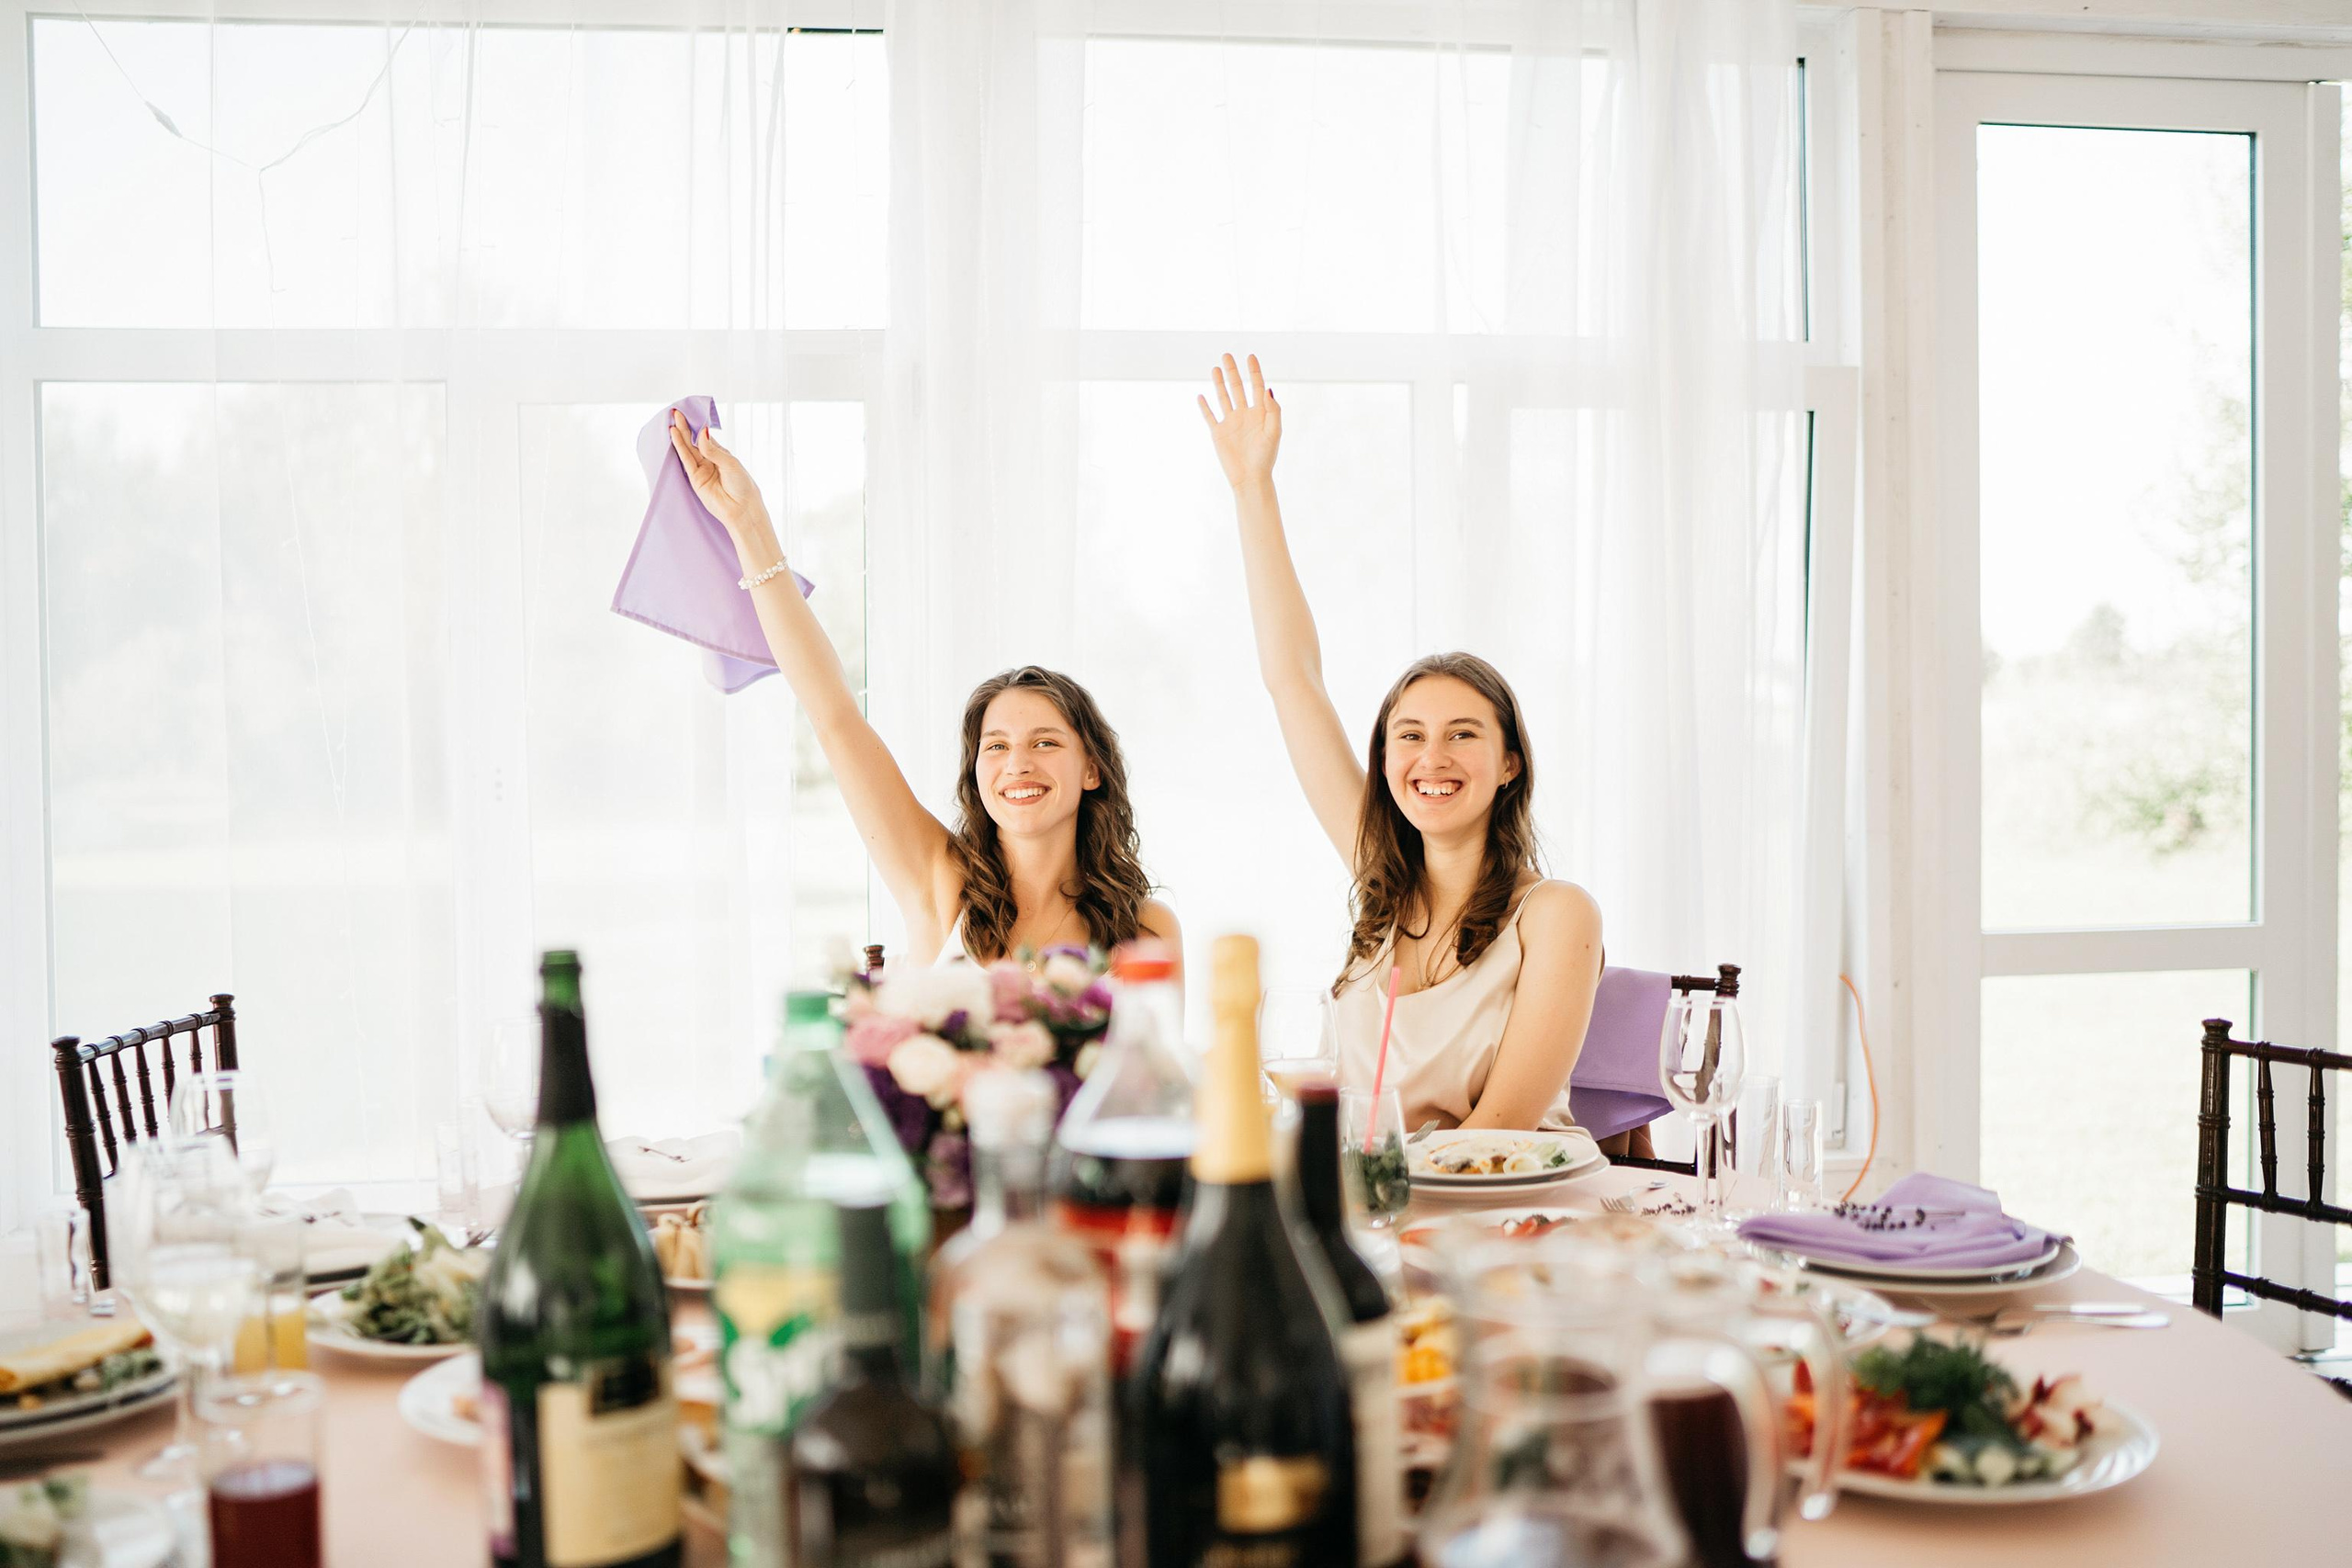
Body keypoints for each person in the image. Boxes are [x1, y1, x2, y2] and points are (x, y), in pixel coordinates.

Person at [1198, 354, 1602, 1134]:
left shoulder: (1555, 914)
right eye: (1409, 736)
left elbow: (1499, 1133)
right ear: (1386, 762)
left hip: (1501, 1221)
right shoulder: (1382, 887)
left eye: (1463, 735)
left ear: (1509, 761)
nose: (1432, 758)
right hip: (1378, 1208)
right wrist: (1253, 487)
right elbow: (1293, 680)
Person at [670, 412, 1181, 969]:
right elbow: (835, 716)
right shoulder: (942, 882)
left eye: (1046, 743)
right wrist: (748, 524)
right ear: (978, 773)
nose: (1018, 765)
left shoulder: (1146, 927)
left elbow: (1154, 1059)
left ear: (1092, 769)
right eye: (997, 746)